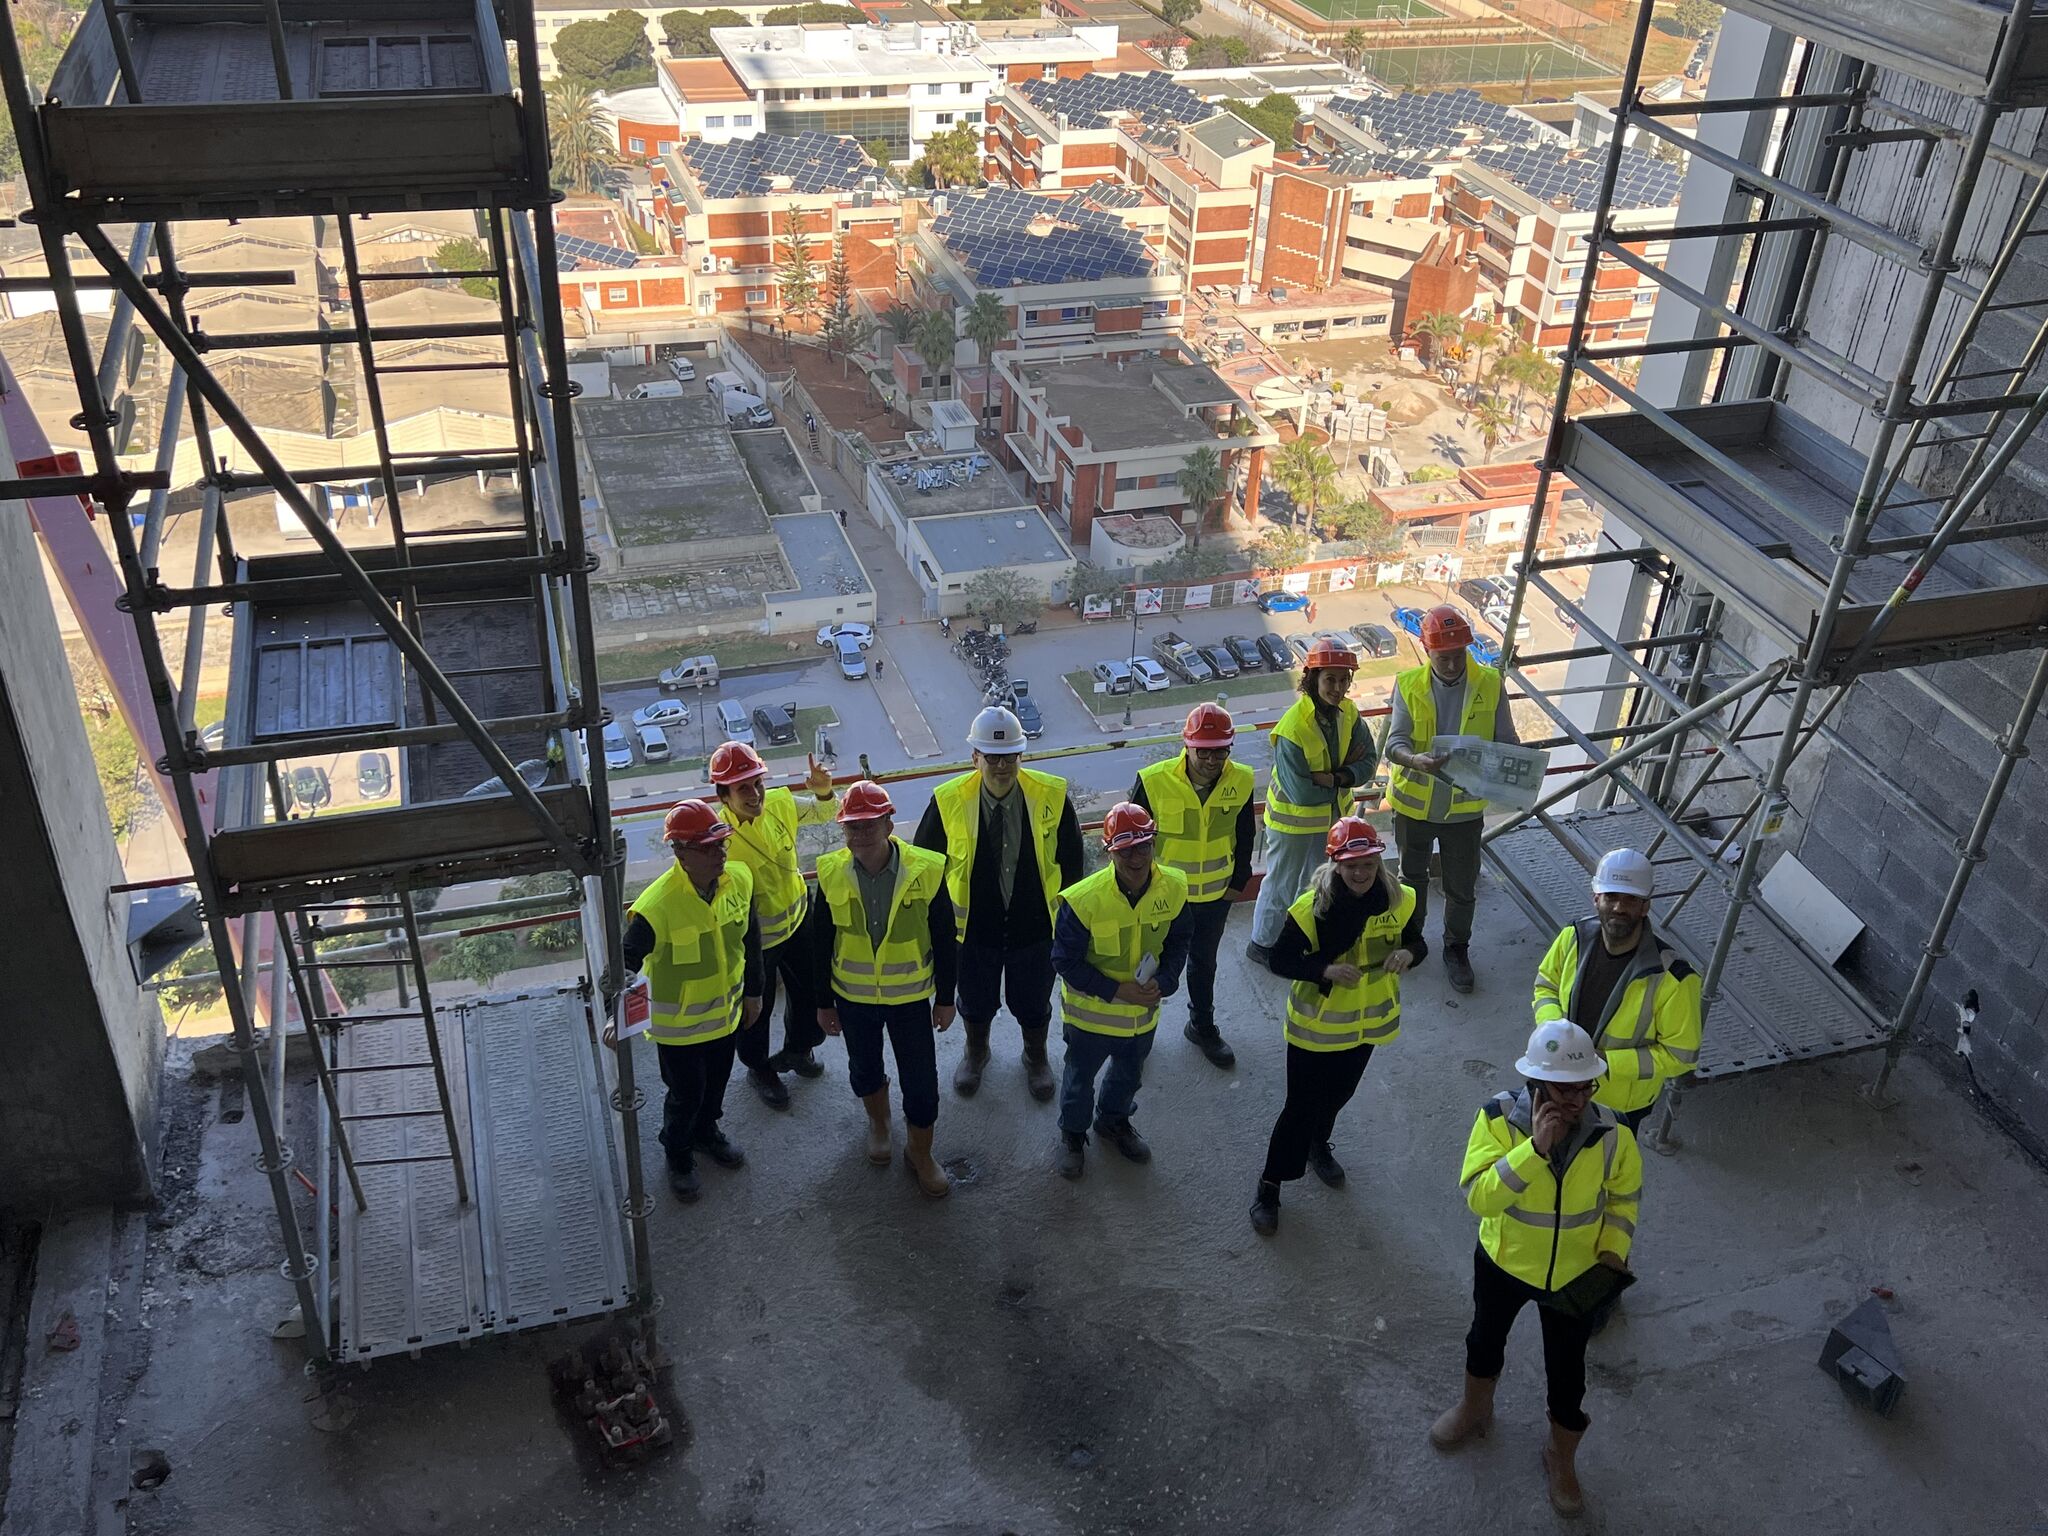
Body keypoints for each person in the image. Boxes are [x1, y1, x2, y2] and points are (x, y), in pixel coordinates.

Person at [1430, 1020, 1641, 1520]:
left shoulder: (1614, 1132)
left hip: (1575, 1275)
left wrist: (1613, 1246)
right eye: (1561, 1091)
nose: (1574, 1102)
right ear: (1535, 1083)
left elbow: (1625, 1195)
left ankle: (1560, 1457)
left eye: (1582, 1088)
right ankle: (1475, 1410)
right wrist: (1534, 1151)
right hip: (1504, 1261)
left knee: (1568, 1377)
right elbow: (1480, 1198)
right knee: (1484, 1340)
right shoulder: (1498, 1119)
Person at [1249, 817, 1415, 1235]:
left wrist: (1410, 956)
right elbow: (1279, 960)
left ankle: (1317, 1144)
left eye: (1368, 865)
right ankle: (1270, 1185)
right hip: (1316, 1028)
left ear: (1379, 862)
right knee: (1299, 1108)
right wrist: (1323, 969)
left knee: (1340, 1094)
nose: (1360, 873)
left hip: (1368, 1025)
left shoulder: (1402, 899)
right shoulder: (1312, 909)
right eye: (1350, 865)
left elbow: (1417, 941)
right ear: (1335, 865)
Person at [915, 706, 1084, 1101]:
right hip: (973, 929)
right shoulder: (947, 801)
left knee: (1033, 1000)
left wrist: (1072, 925)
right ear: (974, 757)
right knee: (975, 1000)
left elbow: (1074, 864)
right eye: (992, 757)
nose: (1002, 766)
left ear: (1021, 756)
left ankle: (1035, 1057)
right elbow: (924, 867)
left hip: (1036, 925)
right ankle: (976, 1053)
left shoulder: (1052, 796)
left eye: (1010, 756)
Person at [810, 781, 958, 1197]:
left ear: (889, 823)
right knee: (865, 1069)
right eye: (851, 827)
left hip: (910, 999)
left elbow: (945, 936)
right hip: (853, 998)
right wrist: (823, 1003)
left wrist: (946, 997)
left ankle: (920, 1152)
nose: (859, 834)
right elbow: (820, 942)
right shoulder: (831, 872)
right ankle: (879, 1124)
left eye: (868, 824)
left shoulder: (926, 869)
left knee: (922, 1083)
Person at [623, 800, 763, 1203]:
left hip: (726, 1017)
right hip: (679, 1030)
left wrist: (753, 993)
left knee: (716, 1084)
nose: (720, 853)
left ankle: (707, 1133)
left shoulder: (739, 878)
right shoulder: (656, 906)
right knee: (686, 1093)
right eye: (708, 847)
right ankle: (678, 1152)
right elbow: (625, 963)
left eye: (722, 844)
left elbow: (751, 942)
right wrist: (619, 1013)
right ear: (680, 852)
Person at [1049, 803, 1195, 1180]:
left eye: (1144, 846)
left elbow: (1179, 942)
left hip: (1142, 1018)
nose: (1136, 857)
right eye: (1125, 849)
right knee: (1079, 1079)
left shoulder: (1175, 888)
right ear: (1108, 850)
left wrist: (1166, 981)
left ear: (1154, 844)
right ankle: (1072, 1134)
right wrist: (1119, 991)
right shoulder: (1082, 900)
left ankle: (1112, 1121)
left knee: (1129, 1075)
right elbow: (1064, 961)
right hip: (1090, 1019)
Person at [1381, 603, 1517, 995]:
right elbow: (1395, 743)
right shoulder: (1407, 684)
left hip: (1463, 811)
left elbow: (1506, 740)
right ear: (1427, 651)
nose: (1453, 664)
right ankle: (1413, 940)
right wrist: (1413, 760)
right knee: (1411, 880)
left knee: (1461, 887)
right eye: (1444, 657)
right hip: (1414, 807)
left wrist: (1516, 764)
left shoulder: (1490, 683)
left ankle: (1456, 949)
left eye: (1459, 655)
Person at [1533, 848, 1701, 1133]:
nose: (1619, 908)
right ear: (1596, 898)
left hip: (1617, 1105)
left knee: (1607, 1170)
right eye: (1611, 896)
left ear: (1645, 906)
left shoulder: (1674, 978)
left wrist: (1603, 1063)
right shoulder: (1572, 938)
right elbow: (1546, 985)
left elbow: (1681, 1056)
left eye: (1631, 899)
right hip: (1558, 1080)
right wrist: (1555, 1031)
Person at [710, 743, 837, 1110]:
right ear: (724, 796)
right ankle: (759, 1068)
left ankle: (799, 1050)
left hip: (799, 920)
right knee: (756, 1009)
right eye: (742, 788)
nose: (754, 794)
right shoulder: (717, 837)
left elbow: (826, 810)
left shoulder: (781, 803)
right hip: (756, 941)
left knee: (812, 992)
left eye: (757, 783)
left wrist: (823, 788)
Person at [1130, 702, 1255, 1070]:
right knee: (1145, 966)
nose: (1213, 759)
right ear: (1187, 745)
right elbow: (1132, 842)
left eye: (1220, 750)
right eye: (1205, 750)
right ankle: (1134, 1035)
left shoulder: (1241, 779)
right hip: (1164, 897)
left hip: (1215, 896)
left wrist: (1238, 882)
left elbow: (1245, 833)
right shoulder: (1153, 780)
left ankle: (1201, 1025)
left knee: (1203, 965)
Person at [1249, 637, 1373, 967]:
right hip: (1293, 826)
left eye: (1344, 679)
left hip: (1331, 825)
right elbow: (1300, 793)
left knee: (1321, 886)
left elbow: (1369, 763)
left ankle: (1306, 941)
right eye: (1330, 679)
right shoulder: (1293, 727)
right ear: (1312, 679)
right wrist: (1347, 773)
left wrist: (1331, 777)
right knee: (1281, 885)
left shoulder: (1349, 714)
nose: (1338, 687)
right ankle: (1262, 944)